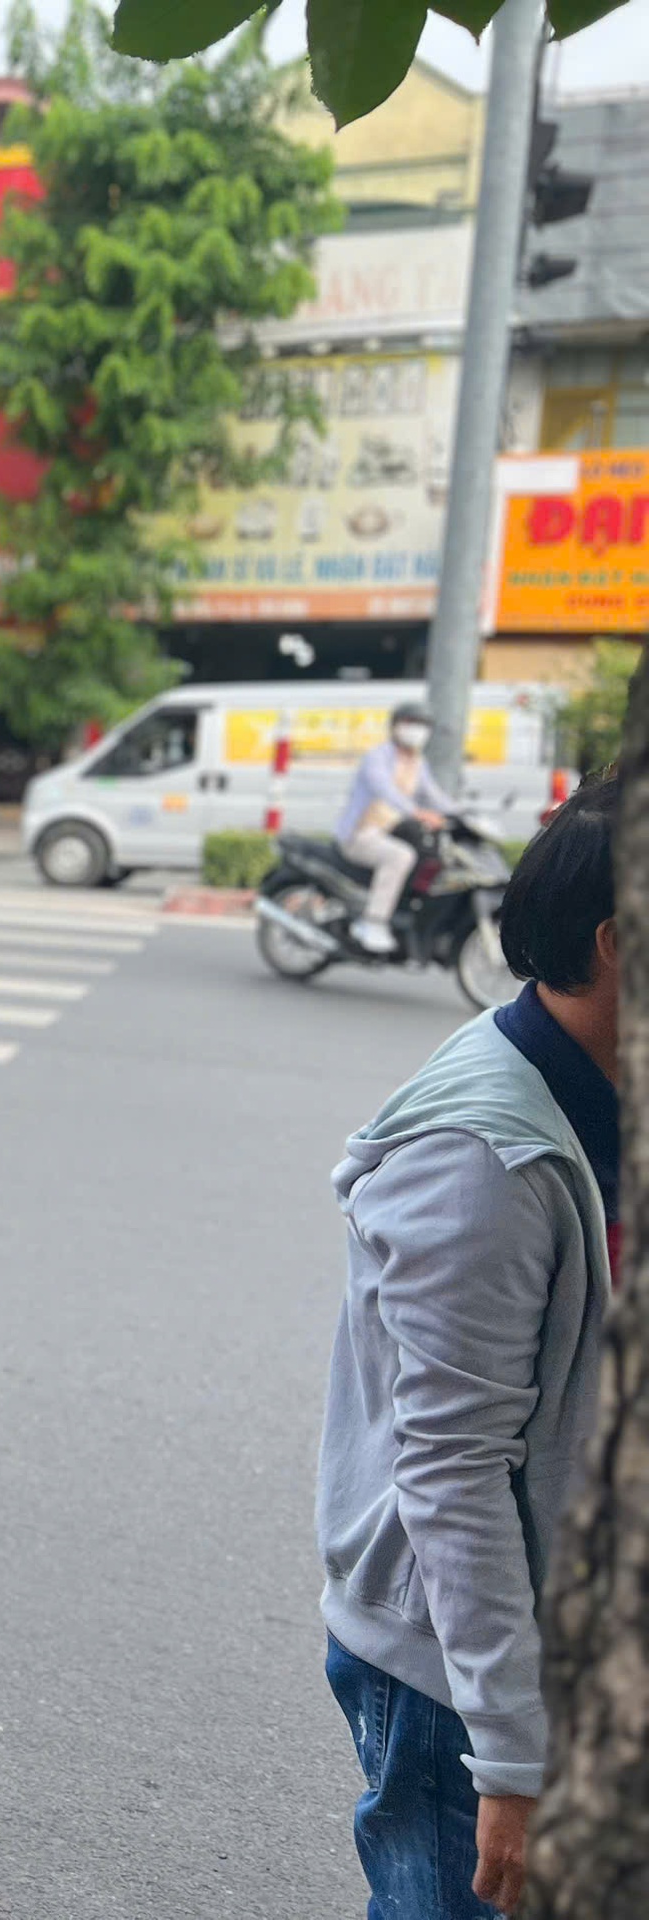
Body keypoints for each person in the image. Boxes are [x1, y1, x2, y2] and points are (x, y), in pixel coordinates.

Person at [316, 773, 620, 1920]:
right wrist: (511, 1757)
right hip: (462, 1672)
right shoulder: (484, 1165)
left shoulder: (598, 1075)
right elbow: (449, 1471)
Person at [337, 700, 459, 954]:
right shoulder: (377, 757)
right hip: (360, 834)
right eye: (410, 723)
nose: (417, 730)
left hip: (386, 833)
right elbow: (385, 790)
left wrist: (462, 813)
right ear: (395, 726)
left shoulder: (417, 762)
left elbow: (433, 796)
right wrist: (417, 813)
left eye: (422, 725)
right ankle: (372, 922)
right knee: (401, 856)